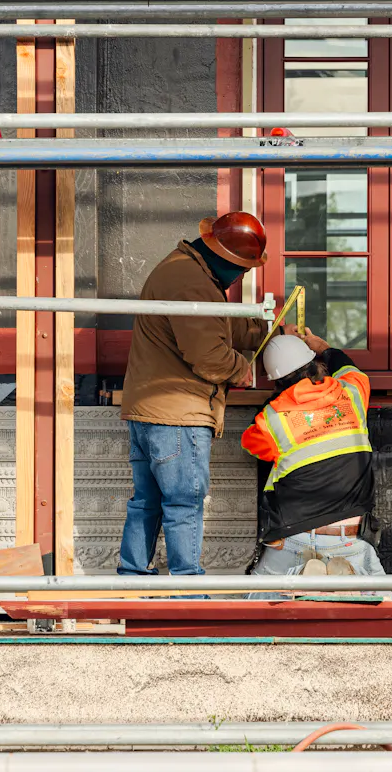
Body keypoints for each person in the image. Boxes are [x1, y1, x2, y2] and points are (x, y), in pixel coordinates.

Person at [118, 211, 288, 577]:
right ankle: (187, 585)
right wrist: (243, 369)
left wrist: (269, 332)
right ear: (227, 261)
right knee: (184, 503)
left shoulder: (184, 269)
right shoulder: (193, 283)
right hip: (178, 416)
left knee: (147, 502)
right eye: (242, 269)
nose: (241, 276)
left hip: (148, 411)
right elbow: (209, 357)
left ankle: (131, 578)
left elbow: (219, 324)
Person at [239, 327, 384, 580]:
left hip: (293, 539)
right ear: (316, 365)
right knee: (384, 612)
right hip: (351, 540)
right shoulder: (352, 394)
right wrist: (324, 348)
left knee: (255, 606)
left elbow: (250, 444)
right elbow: (351, 370)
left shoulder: (270, 419)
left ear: (277, 381)